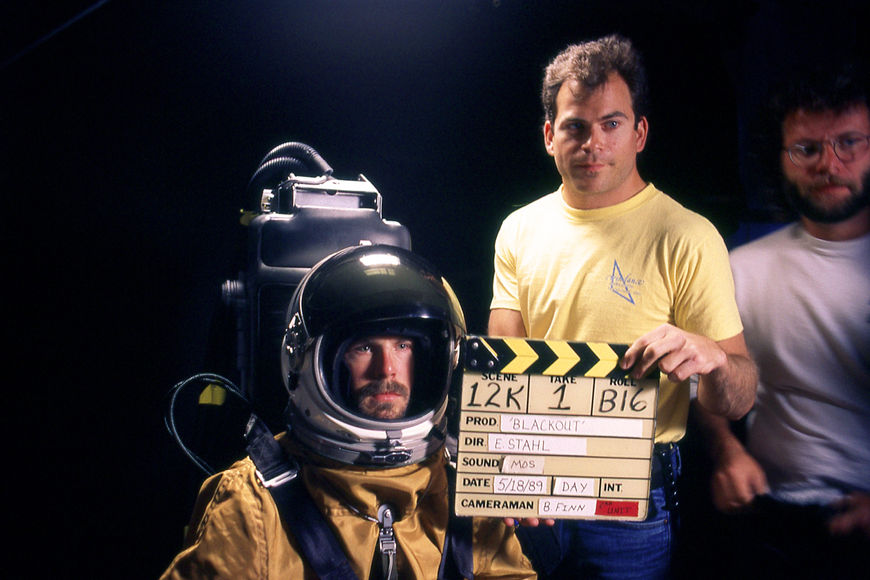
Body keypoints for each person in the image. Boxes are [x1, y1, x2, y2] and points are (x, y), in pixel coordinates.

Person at [488, 34, 757, 578]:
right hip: (537, 479)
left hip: (632, 490)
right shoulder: (518, 230)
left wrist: (712, 358)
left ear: (639, 133)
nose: (593, 143)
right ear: (549, 135)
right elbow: (500, 363)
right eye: (575, 126)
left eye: (611, 124)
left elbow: (739, 397)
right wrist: (510, 474)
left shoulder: (687, 236)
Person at [161, 244, 536, 579]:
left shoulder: (462, 489)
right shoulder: (252, 506)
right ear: (312, 361)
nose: (387, 370)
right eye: (364, 348)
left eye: (403, 345)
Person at [697, 63, 870, 578]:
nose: (828, 163)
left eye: (849, 142)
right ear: (779, 159)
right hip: (773, 521)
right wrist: (727, 452)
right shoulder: (742, 268)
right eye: (807, 149)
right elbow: (703, 378)